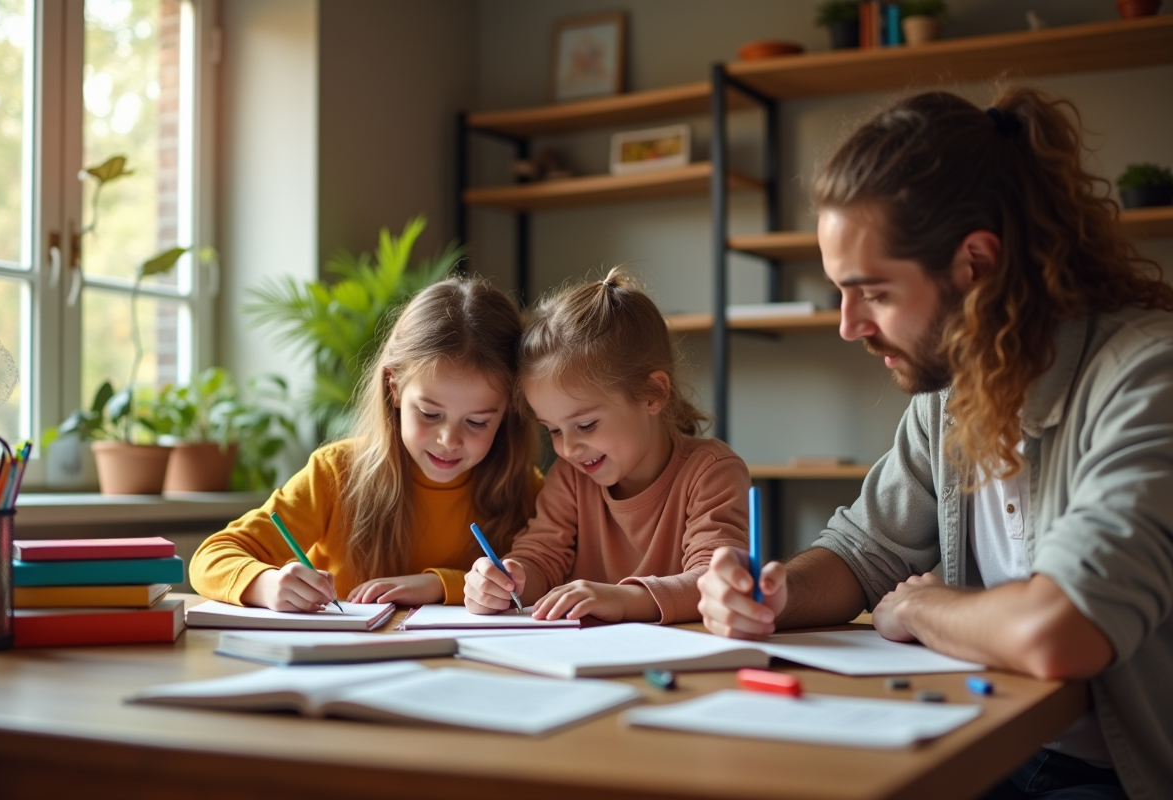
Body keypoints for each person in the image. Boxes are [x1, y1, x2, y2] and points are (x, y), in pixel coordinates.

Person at [697, 86, 1173, 799]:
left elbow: (1061, 629)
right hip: (986, 739)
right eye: (839, 293)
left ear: (975, 264)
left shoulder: (1146, 376)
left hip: (1119, 775)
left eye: (875, 293)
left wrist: (921, 607)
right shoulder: (951, 393)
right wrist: (773, 593)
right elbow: (866, 553)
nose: (848, 325)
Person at [190, 277, 540, 611]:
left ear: (509, 411)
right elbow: (212, 556)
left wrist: (442, 586)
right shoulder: (335, 473)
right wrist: (266, 585)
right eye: (430, 414)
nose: (449, 440)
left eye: (477, 422)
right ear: (395, 387)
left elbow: (559, 580)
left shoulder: (526, 490)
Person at [464, 268, 750, 624]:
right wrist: (511, 579)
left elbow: (714, 582)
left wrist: (623, 599)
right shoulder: (571, 477)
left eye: (585, 425)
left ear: (653, 394)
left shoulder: (711, 471)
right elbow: (541, 556)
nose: (567, 448)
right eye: (552, 430)